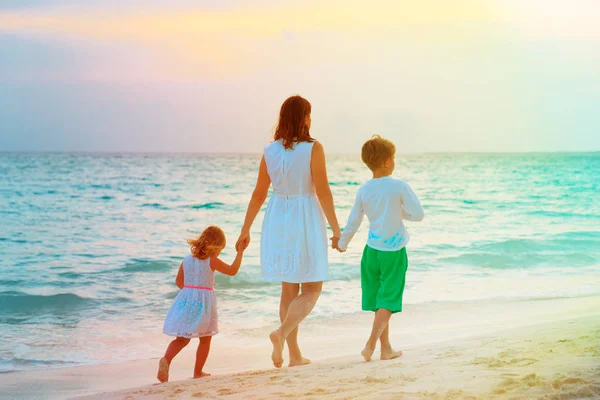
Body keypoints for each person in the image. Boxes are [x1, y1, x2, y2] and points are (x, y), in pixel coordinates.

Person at [236, 95, 341, 368]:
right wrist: (336, 227)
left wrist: (245, 229)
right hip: (304, 215)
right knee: (313, 287)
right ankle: (281, 334)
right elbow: (322, 190)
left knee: (288, 289)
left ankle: (294, 355)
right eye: (309, 114)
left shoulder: (270, 150)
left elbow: (259, 194)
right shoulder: (313, 148)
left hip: (277, 218)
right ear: (304, 117)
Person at [335, 135, 424, 362]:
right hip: (393, 251)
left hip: (371, 252)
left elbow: (353, 221)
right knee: (388, 300)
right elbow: (418, 214)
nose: (394, 162)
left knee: (380, 302)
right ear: (386, 161)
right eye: (393, 158)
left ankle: (386, 349)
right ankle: (371, 344)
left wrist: (342, 243)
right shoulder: (399, 186)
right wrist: (399, 212)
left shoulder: (364, 190)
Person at [157, 226, 244, 382]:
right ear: (216, 246)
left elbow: (179, 281)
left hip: (186, 300)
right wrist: (240, 252)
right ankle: (198, 372)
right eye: (220, 249)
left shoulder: (187, 259)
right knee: (205, 338)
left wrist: (190, 292)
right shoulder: (212, 260)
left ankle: (166, 359)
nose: (219, 253)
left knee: (182, 339)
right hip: (203, 303)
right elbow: (232, 271)